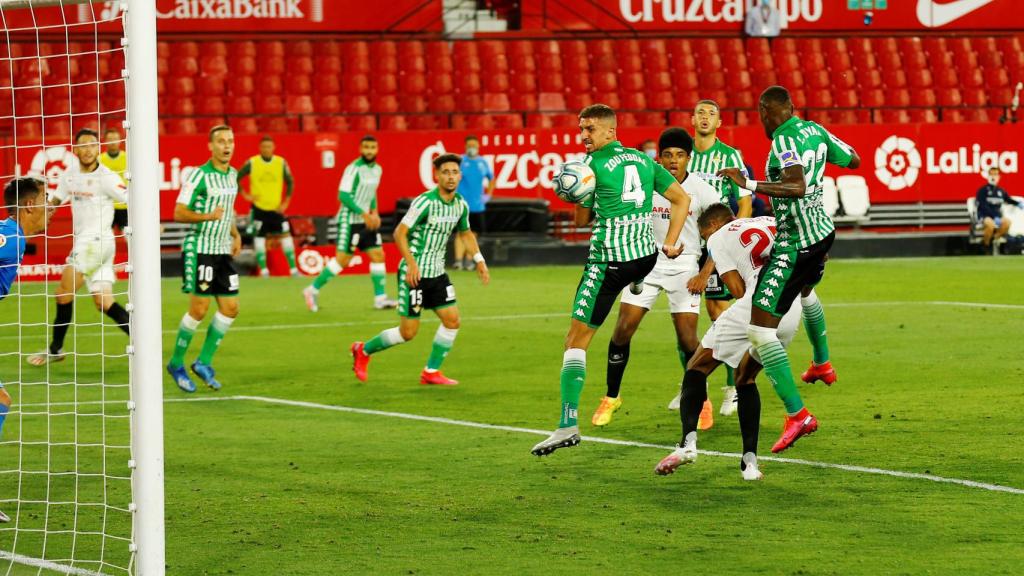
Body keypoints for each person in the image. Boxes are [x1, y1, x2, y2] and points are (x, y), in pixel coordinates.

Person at [531, 104, 692, 456]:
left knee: (575, 340)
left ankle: (566, 425)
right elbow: (682, 198)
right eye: (581, 128)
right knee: (635, 274)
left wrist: (575, 194)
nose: (584, 135)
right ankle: (637, 281)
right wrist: (671, 241)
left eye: (590, 129)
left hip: (608, 263)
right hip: (646, 257)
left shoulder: (589, 167)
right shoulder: (643, 160)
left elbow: (581, 220)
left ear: (610, 131)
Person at [717, 86, 859, 453]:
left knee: (760, 331)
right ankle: (822, 363)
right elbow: (854, 160)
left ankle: (798, 415)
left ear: (766, 110)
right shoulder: (814, 129)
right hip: (823, 233)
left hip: (795, 245)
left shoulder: (783, 141)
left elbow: (795, 186)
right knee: (807, 292)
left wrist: (746, 182)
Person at [656, 206, 830, 480]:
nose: (705, 243)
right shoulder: (771, 221)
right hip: (790, 307)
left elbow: (737, 290)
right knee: (745, 377)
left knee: (696, 367)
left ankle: (687, 445)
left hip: (756, 304)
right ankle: (750, 464)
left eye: (704, 236)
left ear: (712, 225)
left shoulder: (718, 237)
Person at [591, 127, 721, 428]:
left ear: (689, 158)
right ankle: (611, 397)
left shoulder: (702, 190)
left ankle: (701, 400)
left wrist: (704, 273)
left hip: (685, 267)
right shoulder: (646, 184)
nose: (673, 161)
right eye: (667, 155)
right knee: (623, 329)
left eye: (679, 155)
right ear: (658, 158)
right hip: (646, 263)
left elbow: (721, 234)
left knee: (688, 338)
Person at [350, 154, 490, 386]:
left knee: (452, 320)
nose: (451, 176)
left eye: (454, 172)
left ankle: (431, 371)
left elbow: (465, 233)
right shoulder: (424, 202)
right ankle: (363, 350)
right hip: (413, 275)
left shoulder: (460, 205)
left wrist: (479, 259)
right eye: (445, 172)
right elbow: (399, 233)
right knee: (408, 333)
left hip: (437, 275)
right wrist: (412, 264)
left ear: (460, 175)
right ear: (436, 175)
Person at [27, 128, 131, 367]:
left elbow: (130, 196)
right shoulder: (70, 175)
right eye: (83, 145)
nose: (87, 150)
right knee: (103, 302)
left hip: (95, 243)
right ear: (75, 149)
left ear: (99, 148)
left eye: (92, 145)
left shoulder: (107, 177)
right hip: (96, 246)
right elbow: (55, 201)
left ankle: (55, 348)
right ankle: (142, 340)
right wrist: (38, 215)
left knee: (63, 293)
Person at [687, 99, 753, 418]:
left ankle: (733, 389)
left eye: (711, 113)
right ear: (691, 119)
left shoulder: (729, 156)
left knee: (719, 315)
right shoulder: (682, 156)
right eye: (700, 112)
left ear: (719, 123)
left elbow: (744, 203)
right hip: (688, 240)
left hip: (718, 241)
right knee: (684, 317)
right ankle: (694, 387)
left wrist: (731, 236)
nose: (704, 117)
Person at [166, 125, 242, 393]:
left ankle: (203, 363)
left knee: (231, 307)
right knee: (199, 309)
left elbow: (228, 211)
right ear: (210, 146)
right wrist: (207, 217)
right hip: (200, 249)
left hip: (223, 250)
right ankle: (176, 363)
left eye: (230, 141)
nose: (226, 145)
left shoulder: (233, 175)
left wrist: (235, 234)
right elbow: (179, 212)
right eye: (221, 141)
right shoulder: (198, 176)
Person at [0, 177, 51, 523]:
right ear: (30, 205)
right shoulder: (11, 238)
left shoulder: (11, 234)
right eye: (46, 200)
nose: (50, 208)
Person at [303, 135, 396, 311]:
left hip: (366, 221)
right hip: (349, 221)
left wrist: (374, 212)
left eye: (372, 147)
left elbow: (371, 192)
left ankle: (380, 298)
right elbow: (343, 196)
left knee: (378, 255)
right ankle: (311, 289)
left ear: (377, 149)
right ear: (360, 149)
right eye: (366, 147)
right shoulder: (353, 169)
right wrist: (364, 213)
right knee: (342, 260)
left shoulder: (377, 169)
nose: (369, 151)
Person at [236, 135, 298, 277]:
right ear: (260, 148)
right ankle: (264, 271)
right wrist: (244, 194)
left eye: (269, 146)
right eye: (264, 147)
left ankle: (294, 270)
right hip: (258, 208)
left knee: (286, 236)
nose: (266, 149)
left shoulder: (280, 163)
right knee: (259, 238)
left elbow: (290, 181)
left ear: (273, 148)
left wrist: (286, 201)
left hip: (276, 209)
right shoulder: (252, 162)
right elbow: (237, 176)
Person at [453, 136, 495, 271]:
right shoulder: (460, 161)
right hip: (461, 204)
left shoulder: (483, 162)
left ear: (478, 147)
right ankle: (458, 261)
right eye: (470, 145)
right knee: (461, 232)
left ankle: (469, 261)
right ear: (465, 146)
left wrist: (488, 194)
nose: (472, 148)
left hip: (477, 206)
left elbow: (491, 179)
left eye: (474, 145)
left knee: (473, 234)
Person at [976, 166, 1022, 251]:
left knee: (1007, 222)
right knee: (990, 224)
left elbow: (1008, 199)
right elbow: (983, 206)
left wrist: (1018, 203)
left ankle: (992, 240)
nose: (993, 176)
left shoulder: (1001, 191)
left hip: (997, 216)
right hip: (985, 215)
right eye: (991, 174)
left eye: (995, 174)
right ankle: (985, 246)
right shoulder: (982, 190)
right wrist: (994, 216)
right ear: (988, 176)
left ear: (999, 176)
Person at [99, 126, 128, 231]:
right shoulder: (100, 159)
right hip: (107, 205)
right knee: (105, 237)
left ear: (120, 141)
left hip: (124, 205)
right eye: (110, 139)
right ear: (105, 141)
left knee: (129, 237)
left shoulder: (128, 157)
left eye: (115, 139)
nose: (113, 142)